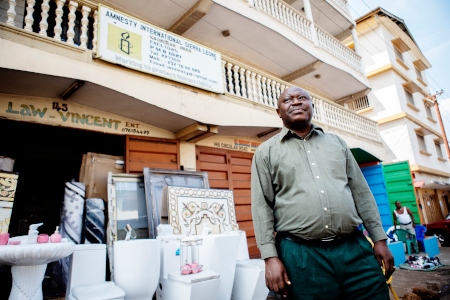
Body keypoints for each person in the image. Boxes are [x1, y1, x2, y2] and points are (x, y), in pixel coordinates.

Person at [251, 86, 394, 299]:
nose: (296, 102)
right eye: (288, 100)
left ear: (312, 106)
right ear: (279, 112)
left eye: (302, 98)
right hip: (301, 255)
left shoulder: (337, 143)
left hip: (354, 248)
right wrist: (270, 257)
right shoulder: (266, 152)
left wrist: (379, 239)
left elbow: (361, 192)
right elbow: (262, 206)